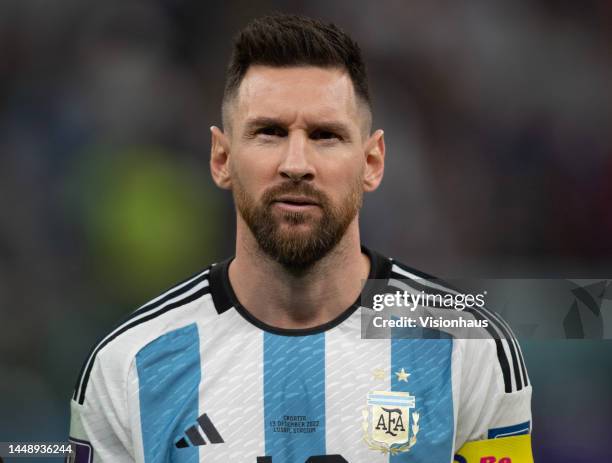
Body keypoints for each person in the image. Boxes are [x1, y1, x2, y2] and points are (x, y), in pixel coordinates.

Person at [67, 14, 533, 463]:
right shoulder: (128, 365)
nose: (296, 163)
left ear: (372, 162)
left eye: (325, 135)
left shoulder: (470, 346)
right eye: (268, 132)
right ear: (221, 158)